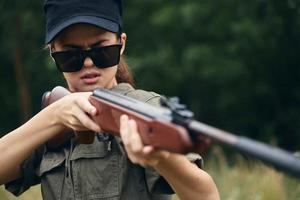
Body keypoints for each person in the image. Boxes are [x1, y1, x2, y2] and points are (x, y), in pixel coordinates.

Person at [1, 0, 220, 199]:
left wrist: (163, 159)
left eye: (101, 51)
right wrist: (55, 116)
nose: (88, 63)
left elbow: (207, 196)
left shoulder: (146, 108)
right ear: (53, 52)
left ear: (121, 43)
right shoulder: (54, 119)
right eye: (71, 55)